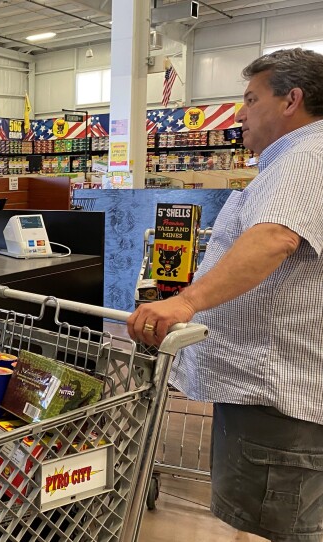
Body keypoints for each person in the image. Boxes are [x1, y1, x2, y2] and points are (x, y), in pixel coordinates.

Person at [128, 48, 323, 541]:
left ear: (290, 100)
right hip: (267, 392)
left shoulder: (307, 156)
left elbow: (274, 238)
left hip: (277, 396)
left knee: (277, 526)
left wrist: (184, 302)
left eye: (251, 98)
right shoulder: (297, 158)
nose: (239, 113)